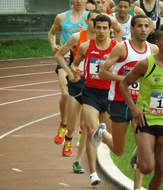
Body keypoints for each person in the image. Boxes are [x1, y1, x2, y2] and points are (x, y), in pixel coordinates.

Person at [94, 14, 158, 190]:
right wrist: (126, 79)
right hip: (119, 101)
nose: (143, 29)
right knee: (119, 150)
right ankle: (102, 134)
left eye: (146, 26)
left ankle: (137, 187)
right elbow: (102, 73)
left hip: (141, 104)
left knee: (143, 150)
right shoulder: (122, 48)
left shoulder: (152, 50)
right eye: (139, 26)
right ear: (132, 28)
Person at [117, 24, 163, 190]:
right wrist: (133, 108)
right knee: (146, 167)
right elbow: (123, 84)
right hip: (146, 121)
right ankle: (139, 153)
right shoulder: (146, 63)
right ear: (157, 42)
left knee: (162, 168)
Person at [71, 14, 117, 186]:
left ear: (110, 30)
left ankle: (102, 136)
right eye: (98, 27)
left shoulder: (116, 47)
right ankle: (92, 173)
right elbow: (75, 64)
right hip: (90, 93)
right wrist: (75, 72)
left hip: (109, 94)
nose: (101, 31)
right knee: (91, 129)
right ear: (93, 28)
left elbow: (125, 66)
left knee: (105, 138)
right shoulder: (85, 46)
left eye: (105, 28)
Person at [55, 10, 101, 173]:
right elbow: (60, 56)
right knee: (73, 125)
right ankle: (68, 137)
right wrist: (69, 72)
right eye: (93, 20)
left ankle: (78, 161)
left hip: (93, 87)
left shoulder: (104, 41)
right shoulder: (77, 38)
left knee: (87, 126)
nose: (95, 24)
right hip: (77, 83)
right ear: (87, 21)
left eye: (98, 21)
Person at [48, 0, 88, 145]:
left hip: (83, 60)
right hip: (65, 58)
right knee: (65, 93)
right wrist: (54, 45)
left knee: (83, 99)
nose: (78, 1)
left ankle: (79, 130)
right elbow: (51, 33)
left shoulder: (91, 17)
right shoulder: (61, 17)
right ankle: (63, 124)